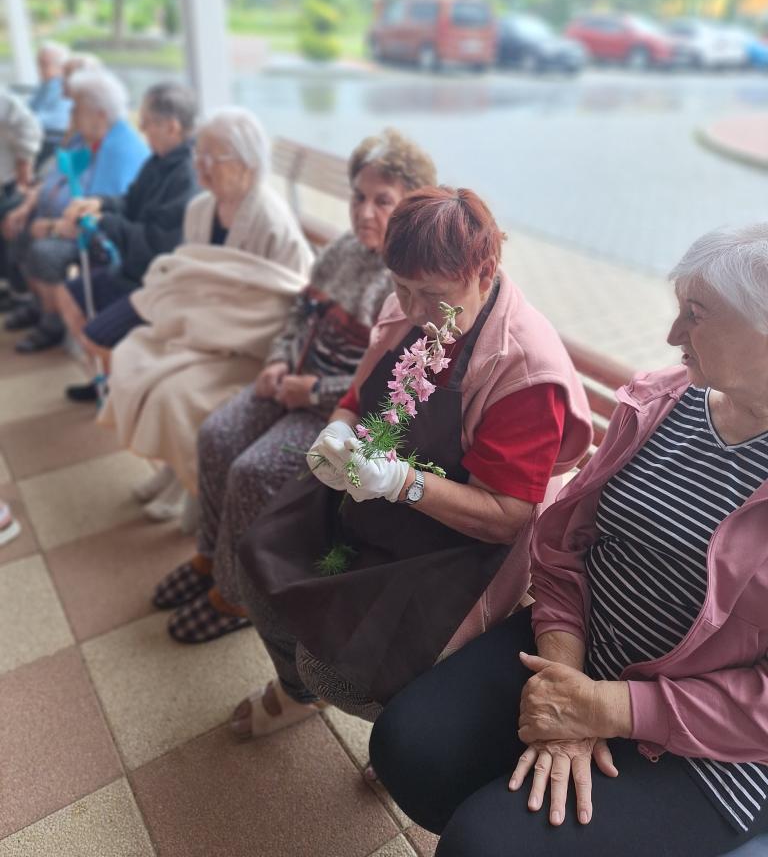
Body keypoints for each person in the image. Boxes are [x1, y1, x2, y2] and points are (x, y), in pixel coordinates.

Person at [369, 223, 768, 857]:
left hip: (713, 743)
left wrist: (608, 708)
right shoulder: (663, 400)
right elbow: (562, 544)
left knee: (485, 845)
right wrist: (565, 683)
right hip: (580, 645)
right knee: (407, 747)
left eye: (695, 314)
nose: (672, 335)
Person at [231, 186, 592, 739]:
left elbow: (506, 516)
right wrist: (339, 427)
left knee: (337, 672)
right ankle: (297, 691)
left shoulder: (524, 372)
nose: (415, 311)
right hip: (372, 490)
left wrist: (402, 482)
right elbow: (359, 394)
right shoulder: (406, 310)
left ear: (484, 270)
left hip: (459, 544)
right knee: (258, 565)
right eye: (401, 287)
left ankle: (393, 728)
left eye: (433, 295)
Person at [152, 128, 437, 643]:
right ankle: (208, 558)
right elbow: (298, 316)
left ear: (410, 205)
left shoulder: (407, 281)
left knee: (253, 471)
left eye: (382, 201)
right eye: (358, 197)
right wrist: (279, 360)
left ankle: (233, 596)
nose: (364, 212)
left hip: (336, 411)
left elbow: (386, 385)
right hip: (293, 383)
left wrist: (313, 391)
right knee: (216, 435)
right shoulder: (341, 250)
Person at [99, 107, 314, 519]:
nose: (199, 165)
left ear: (246, 163)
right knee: (132, 357)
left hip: (246, 348)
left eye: (212, 157)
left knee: (175, 394)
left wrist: (220, 328)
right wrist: (189, 318)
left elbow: (285, 305)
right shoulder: (200, 208)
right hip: (197, 332)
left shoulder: (272, 221)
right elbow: (192, 279)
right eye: (198, 153)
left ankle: (195, 488)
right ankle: (174, 469)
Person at [55, 82, 198, 402]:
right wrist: (99, 203)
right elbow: (131, 201)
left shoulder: (187, 176)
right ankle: (107, 381)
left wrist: (104, 220)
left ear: (172, 127)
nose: (141, 128)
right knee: (68, 296)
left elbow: (156, 246)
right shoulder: (158, 160)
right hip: (132, 269)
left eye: (146, 122)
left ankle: (122, 395)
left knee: (93, 336)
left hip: (154, 282)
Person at [13, 68, 149, 353]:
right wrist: (32, 209)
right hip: (64, 222)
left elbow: (99, 216)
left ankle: (52, 323)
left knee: (44, 251)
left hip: (98, 238)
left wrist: (52, 227)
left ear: (100, 114)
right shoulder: (84, 138)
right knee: (22, 233)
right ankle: (40, 306)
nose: (71, 113)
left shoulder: (120, 149)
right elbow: (57, 177)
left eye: (76, 107)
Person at [0, 91, 42, 309]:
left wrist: (24, 163)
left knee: (8, 232)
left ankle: (14, 293)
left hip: (5, 182)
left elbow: (28, 127)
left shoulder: (4, 100)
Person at [28, 41, 72, 158]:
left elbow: (58, 120)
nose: (39, 69)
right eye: (38, 63)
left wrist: (23, 121)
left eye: (44, 64)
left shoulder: (65, 87)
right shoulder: (45, 85)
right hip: (38, 137)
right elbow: (28, 108)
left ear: (61, 66)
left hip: (51, 142)